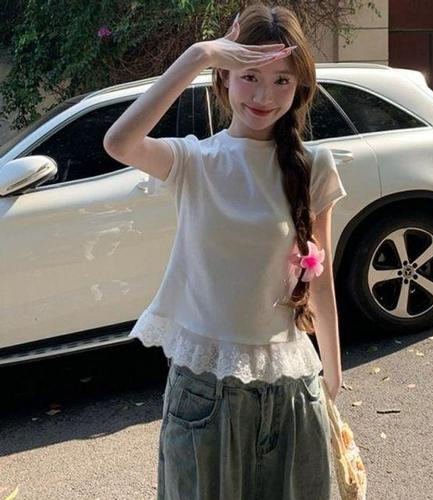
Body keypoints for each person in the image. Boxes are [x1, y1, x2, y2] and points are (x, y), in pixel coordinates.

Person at [103, 3, 346, 499]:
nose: (264, 95)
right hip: (204, 390)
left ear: (299, 86)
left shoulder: (314, 166)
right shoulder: (195, 161)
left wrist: (333, 377)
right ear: (224, 78)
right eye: (249, 75)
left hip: (292, 386)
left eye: (282, 80)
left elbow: (320, 281)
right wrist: (200, 53)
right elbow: (120, 141)